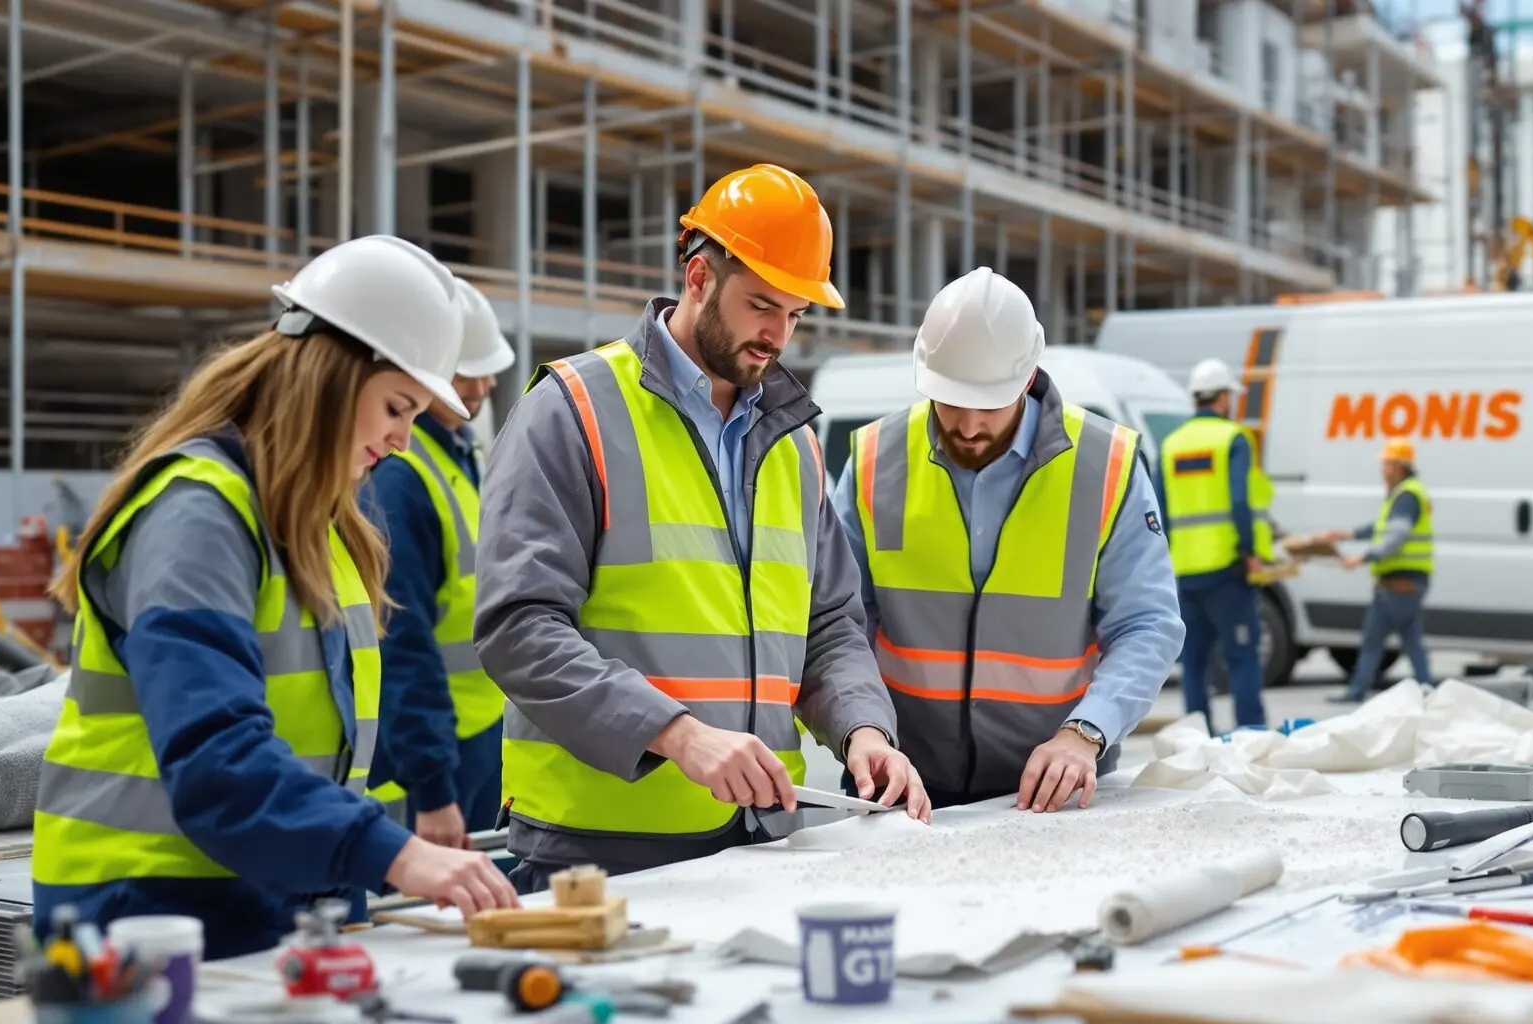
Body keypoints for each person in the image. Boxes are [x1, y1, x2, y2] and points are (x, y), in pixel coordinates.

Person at [31, 235, 518, 960]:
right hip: (145, 912)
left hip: (262, 893)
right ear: (328, 376)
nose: (402, 442)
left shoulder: (314, 522)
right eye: (395, 407)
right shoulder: (197, 516)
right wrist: (396, 853)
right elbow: (215, 757)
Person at [475, 162, 932, 896]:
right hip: (599, 848)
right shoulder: (573, 410)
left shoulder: (795, 443)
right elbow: (518, 626)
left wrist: (862, 731)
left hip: (760, 838)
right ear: (697, 276)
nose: (776, 335)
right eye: (760, 305)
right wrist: (676, 734)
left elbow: (829, 624)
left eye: (795, 314)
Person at [833, 267, 1184, 812]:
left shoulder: (1104, 464)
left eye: (988, 404)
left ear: (1027, 379)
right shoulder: (876, 458)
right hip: (901, 785)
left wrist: (1086, 733)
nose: (968, 426)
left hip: (1057, 789)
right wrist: (863, 729)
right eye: (950, 402)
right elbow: (841, 623)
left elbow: (1148, 623)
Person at [361, 278, 517, 847]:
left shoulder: (460, 450)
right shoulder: (398, 475)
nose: (482, 386)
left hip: (474, 737)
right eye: (464, 373)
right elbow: (401, 643)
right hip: (424, 754)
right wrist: (432, 789)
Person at [1159, 358, 1273, 733]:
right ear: (1224, 398)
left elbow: (1158, 511)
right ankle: (1252, 734)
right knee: (1242, 657)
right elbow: (1240, 501)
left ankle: (1196, 737)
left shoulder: (1171, 445)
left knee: (1194, 663)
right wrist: (1250, 552)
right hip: (1227, 571)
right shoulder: (1233, 439)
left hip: (1186, 574)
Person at [1325, 437, 1434, 702]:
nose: (1382, 468)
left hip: (1399, 582)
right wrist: (1347, 534)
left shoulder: (1406, 495)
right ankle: (1427, 690)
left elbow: (1395, 536)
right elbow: (1381, 527)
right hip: (1408, 581)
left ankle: (1357, 691)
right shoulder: (1405, 492)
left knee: (1373, 640)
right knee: (1411, 641)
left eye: (1386, 463)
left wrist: (1362, 558)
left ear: (1399, 465)